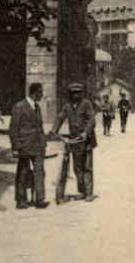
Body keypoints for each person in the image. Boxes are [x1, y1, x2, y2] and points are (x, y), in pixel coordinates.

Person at [50, 83, 97, 201]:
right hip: (74, 140)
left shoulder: (86, 104)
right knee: (77, 167)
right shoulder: (67, 106)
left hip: (86, 140)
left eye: (78, 93)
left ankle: (89, 193)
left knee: (87, 167)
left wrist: (86, 132)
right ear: (70, 94)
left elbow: (92, 119)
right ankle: (82, 191)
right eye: (73, 93)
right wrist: (54, 130)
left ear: (81, 93)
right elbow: (60, 117)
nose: (76, 95)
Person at [9, 82, 49, 210]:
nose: (42, 95)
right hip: (24, 145)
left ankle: (39, 199)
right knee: (23, 172)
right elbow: (13, 129)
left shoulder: (37, 107)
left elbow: (40, 127)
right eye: (41, 93)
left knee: (39, 172)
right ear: (35, 93)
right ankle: (21, 200)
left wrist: (44, 143)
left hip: (37, 146)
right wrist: (15, 147)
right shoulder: (19, 107)